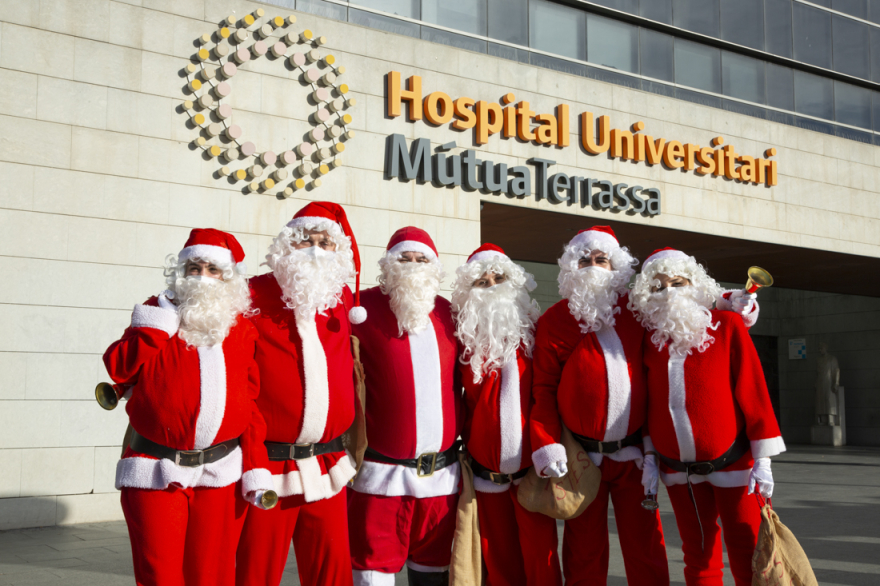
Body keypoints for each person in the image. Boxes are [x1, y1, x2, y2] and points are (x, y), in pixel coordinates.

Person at [103, 228, 274, 586]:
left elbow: (250, 405)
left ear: (228, 279)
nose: (202, 277)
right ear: (181, 272)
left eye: (213, 269)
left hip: (220, 473)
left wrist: (256, 468)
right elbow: (118, 367)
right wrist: (159, 327)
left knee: (213, 576)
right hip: (156, 468)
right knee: (160, 576)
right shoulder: (155, 313)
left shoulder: (241, 329)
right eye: (194, 268)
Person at [630, 247, 784, 586]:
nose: (669, 292)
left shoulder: (727, 325)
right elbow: (647, 403)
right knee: (698, 554)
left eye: (678, 283)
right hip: (678, 470)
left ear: (695, 284)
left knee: (748, 550)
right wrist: (651, 456)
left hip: (735, 463)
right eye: (658, 286)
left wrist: (764, 459)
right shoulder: (650, 340)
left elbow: (753, 390)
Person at [529, 226, 670, 586]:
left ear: (616, 267)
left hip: (633, 456)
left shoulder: (638, 313)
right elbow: (543, 389)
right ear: (570, 268)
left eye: (601, 259)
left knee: (645, 545)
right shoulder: (554, 320)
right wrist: (546, 443)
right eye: (584, 260)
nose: (592, 266)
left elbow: (682, 308)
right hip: (582, 457)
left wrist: (729, 303)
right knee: (583, 549)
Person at [236, 202, 365, 586]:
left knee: (333, 575)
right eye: (305, 240)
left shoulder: (342, 298)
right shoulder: (252, 293)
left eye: (325, 242)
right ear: (286, 245)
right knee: (255, 574)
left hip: (328, 463)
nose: (315, 249)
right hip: (268, 464)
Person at [348, 227, 462, 586]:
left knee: (433, 572)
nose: (413, 265)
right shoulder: (360, 310)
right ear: (388, 264)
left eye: (421, 259)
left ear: (434, 266)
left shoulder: (449, 314)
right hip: (380, 479)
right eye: (404, 258)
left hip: (441, 480)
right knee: (373, 572)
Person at [452, 243, 562, 586]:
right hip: (486, 474)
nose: (491, 286)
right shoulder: (463, 341)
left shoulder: (536, 331)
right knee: (499, 562)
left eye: (498, 278)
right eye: (482, 282)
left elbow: (549, 392)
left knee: (542, 559)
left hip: (533, 472)